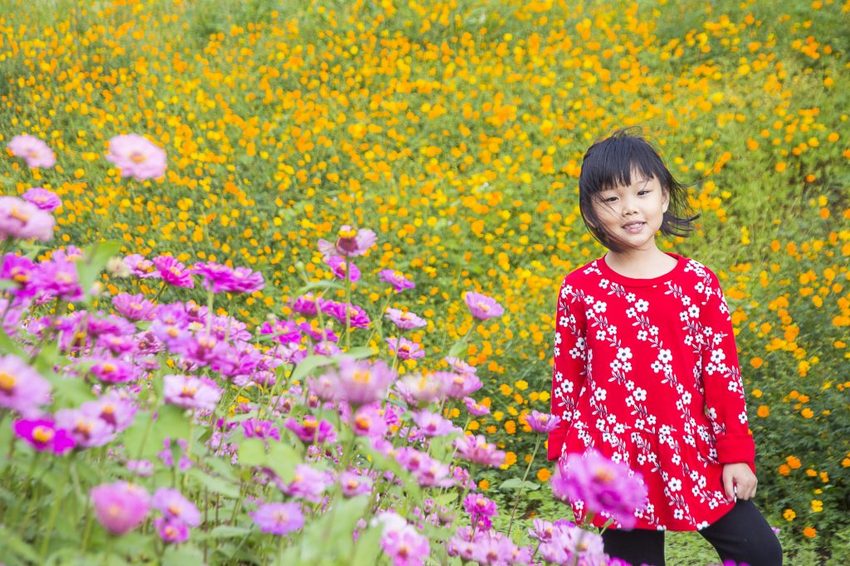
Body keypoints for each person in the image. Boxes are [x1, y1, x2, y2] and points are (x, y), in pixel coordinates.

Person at [547, 131, 783, 566]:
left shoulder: (698, 283)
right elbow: (568, 376)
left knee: (760, 552)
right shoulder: (581, 288)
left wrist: (736, 455)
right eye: (611, 199)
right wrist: (562, 450)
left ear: (664, 199)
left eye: (642, 192)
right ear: (592, 213)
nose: (630, 208)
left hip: (691, 449)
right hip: (613, 459)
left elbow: (723, 375)